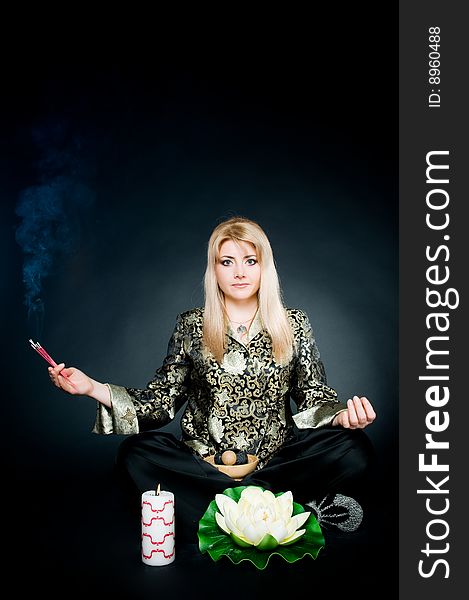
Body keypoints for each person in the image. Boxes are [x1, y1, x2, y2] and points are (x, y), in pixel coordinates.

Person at [48, 216, 376, 541]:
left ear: (265, 267)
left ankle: (224, 511)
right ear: (214, 269)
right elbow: (162, 401)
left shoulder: (294, 324)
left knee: (354, 449)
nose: (239, 272)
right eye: (227, 261)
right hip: (204, 465)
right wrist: (92, 388)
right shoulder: (192, 325)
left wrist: (342, 415)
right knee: (136, 454)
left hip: (277, 461)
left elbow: (313, 394)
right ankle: (275, 509)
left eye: (250, 260)